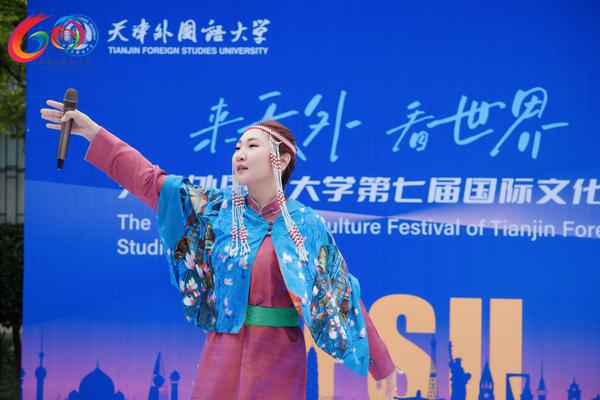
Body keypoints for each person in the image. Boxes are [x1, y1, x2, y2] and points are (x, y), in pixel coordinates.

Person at [40, 99, 403, 400]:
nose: (240, 154)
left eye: (252, 146)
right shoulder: (216, 211)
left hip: (279, 357)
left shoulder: (306, 224)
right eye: (237, 148)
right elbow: (151, 181)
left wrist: (382, 365)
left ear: (280, 160)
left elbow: (341, 296)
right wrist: (94, 133)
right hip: (222, 353)